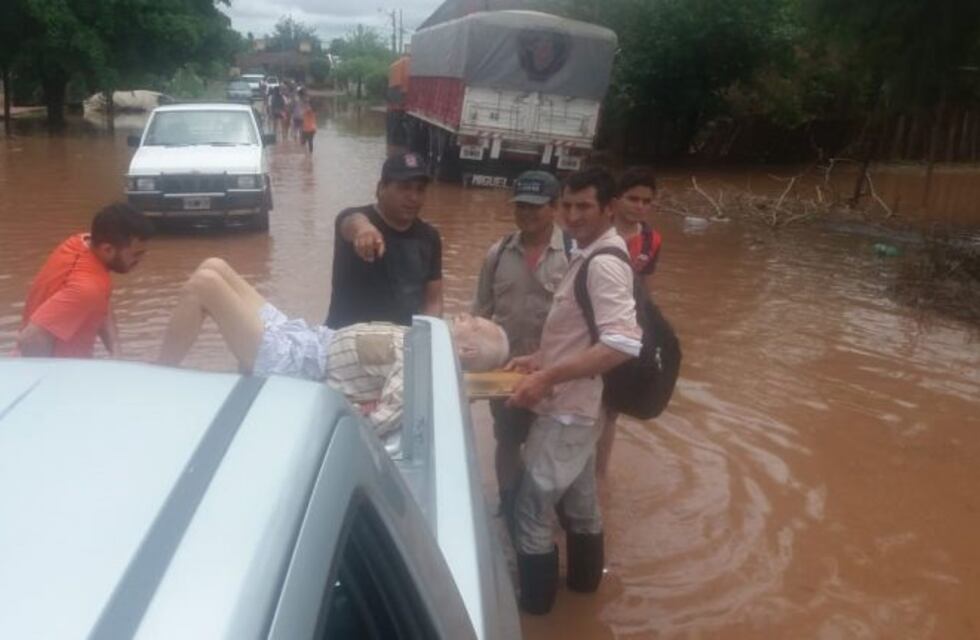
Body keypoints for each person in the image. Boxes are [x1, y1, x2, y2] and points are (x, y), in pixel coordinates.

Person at [157, 258, 508, 444]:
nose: (465, 315)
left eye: (473, 324)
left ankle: (157, 376)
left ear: (466, 350)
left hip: (294, 364)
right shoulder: (421, 343)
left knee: (204, 286)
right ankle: (161, 369)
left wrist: (354, 408)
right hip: (307, 339)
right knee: (215, 266)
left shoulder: (419, 364)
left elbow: (383, 418)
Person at [506, 167, 641, 615]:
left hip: (568, 410)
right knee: (582, 507)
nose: (573, 215)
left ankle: (536, 610)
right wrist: (541, 359)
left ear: (608, 208)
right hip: (581, 407)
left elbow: (622, 342)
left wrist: (545, 379)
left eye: (584, 206)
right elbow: (581, 333)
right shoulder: (591, 253)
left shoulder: (602, 263)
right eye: (567, 205)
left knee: (530, 509)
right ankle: (585, 597)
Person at [472, 171, 569, 529]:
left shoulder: (573, 255)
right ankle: (508, 503)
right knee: (508, 441)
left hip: (557, 375)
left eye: (536, 206)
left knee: (553, 447)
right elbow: (479, 314)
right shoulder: (497, 254)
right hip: (505, 374)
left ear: (555, 208)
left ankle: (546, 513)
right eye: (521, 206)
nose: (527, 214)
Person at [595, 168, 664, 476]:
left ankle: (600, 475)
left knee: (611, 410)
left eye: (646, 201)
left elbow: (646, 289)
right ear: (616, 201)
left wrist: (650, 334)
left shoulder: (651, 240)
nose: (640, 206)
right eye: (633, 199)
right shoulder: (595, 232)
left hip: (626, 332)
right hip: (591, 325)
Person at [16, 203, 152, 358]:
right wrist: (47, 377)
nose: (140, 260)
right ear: (107, 249)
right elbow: (30, 338)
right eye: (136, 254)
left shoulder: (80, 242)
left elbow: (100, 298)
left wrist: (114, 348)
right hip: (63, 375)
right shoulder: (87, 288)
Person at [325, 153, 442, 329]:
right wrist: (364, 230)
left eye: (420, 189)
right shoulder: (352, 218)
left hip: (401, 342)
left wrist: (426, 336)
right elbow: (352, 222)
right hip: (346, 339)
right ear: (381, 188)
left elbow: (433, 301)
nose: (414, 197)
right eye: (405, 187)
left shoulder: (430, 237)